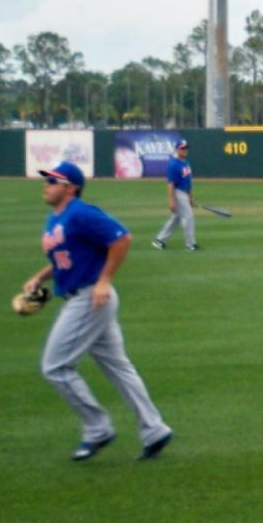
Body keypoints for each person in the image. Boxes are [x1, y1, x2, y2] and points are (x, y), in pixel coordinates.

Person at [24, 161, 174, 462]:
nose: (46, 185)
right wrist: (40, 277)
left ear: (71, 187)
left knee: (55, 367)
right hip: (85, 297)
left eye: (53, 181)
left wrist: (105, 280)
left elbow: (121, 238)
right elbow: (67, 258)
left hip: (89, 298)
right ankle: (155, 429)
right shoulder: (56, 219)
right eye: (47, 180)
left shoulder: (80, 213)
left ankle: (97, 429)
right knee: (118, 367)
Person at [150, 138, 199, 251]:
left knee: (176, 218)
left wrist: (190, 196)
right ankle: (190, 244)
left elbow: (188, 181)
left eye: (186, 148)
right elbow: (170, 184)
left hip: (185, 193)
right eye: (182, 148)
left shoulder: (186, 163)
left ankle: (159, 240)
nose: (185, 150)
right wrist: (172, 201)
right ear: (177, 150)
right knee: (188, 217)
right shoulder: (173, 164)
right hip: (178, 193)